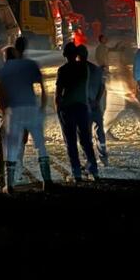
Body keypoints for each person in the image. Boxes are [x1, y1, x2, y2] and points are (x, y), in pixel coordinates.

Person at [0, 39, 52, 193]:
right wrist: (43, 107)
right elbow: (43, 88)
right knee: (40, 145)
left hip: (14, 110)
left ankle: (10, 184)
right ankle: (47, 180)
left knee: (11, 147)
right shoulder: (30, 65)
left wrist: (2, 111)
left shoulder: (2, 70)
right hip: (31, 107)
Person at [55, 42, 99, 182]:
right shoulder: (84, 68)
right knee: (86, 140)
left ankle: (76, 172)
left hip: (67, 108)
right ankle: (93, 169)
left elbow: (58, 94)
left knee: (71, 141)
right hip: (82, 107)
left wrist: (58, 108)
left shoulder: (62, 70)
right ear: (76, 55)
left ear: (65, 55)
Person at [86, 44, 109, 165]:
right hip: (95, 105)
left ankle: (90, 160)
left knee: (86, 133)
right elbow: (102, 87)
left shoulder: (78, 70)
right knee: (99, 131)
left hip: (84, 106)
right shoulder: (95, 69)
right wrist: (97, 100)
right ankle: (103, 157)